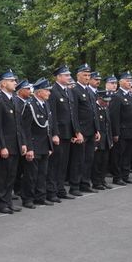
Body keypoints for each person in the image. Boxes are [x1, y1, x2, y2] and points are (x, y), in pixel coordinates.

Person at [0, 70, 26, 214]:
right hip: (6, 144)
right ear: (3, 84)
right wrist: (2, 146)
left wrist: (22, 142)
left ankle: (8, 201)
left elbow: (19, 124)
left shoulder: (14, 99)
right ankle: (0, 203)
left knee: (11, 174)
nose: (15, 83)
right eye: (12, 80)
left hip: (15, 143)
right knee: (2, 175)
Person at [47, 66, 80, 202]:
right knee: (55, 163)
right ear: (58, 77)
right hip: (59, 133)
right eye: (66, 75)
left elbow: (73, 114)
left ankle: (60, 189)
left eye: (68, 75)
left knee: (63, 163)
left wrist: (77, 131)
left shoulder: (69, 91)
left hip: (68, 133)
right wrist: (54, 133)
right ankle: (51, 191)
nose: (68, 78)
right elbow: (52, 115)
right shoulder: (53, 91)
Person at [20, 78, 54, 208]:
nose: (49, 93)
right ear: (39, 92)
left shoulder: (46, 104)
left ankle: (40, 196)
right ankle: (28, 198)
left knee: (42, 173)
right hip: (34, 144)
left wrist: (49, 145)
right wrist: (29, 148)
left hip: (44, 144)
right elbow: (25, 128)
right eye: (47, 91)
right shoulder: (30, 106)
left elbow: (48, 127)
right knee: (31, 174)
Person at [69, 64, 100, 196]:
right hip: (81, 131)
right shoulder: (74, 90)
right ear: (78, 76)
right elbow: (73, 113)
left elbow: (94, 112)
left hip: (91, 130)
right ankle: (74, 186)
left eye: (89, 75)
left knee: (88, 158)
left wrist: (97, 129)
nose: (87, 77)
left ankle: (85, 183)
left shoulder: (89, 91)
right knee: (78, 160)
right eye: (85, 75)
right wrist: (77, 131)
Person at [109, 72, 132, 185]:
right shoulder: (117, 96)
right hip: (121, 131)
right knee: (119, 155)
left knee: (127, 155)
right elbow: (114, 116)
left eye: (130, 80)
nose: (129, 82)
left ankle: (125, 175)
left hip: (131, 130)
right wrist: (115, 133)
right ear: (120, 82)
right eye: (127, 80)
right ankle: (117, 177)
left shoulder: (131, 95)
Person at [91, 90, 113, 190]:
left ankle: (102, 180)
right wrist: (95, 143)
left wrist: (110, 140)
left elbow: (108, 125)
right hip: (98, 140)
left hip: (106, 140)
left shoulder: (105, 108)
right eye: (105, 101)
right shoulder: (94, 108)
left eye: (108, 101)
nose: (107, 103)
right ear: (99, 99)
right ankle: (96, 182)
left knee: (104, 161)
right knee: (97, 162)